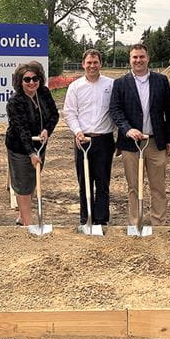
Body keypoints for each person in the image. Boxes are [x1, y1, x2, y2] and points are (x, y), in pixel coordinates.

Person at [109, 43, 170, 226]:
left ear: (148, 58)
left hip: (156, 142)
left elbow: (169, 112)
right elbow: (115, 111)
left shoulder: (161, 80)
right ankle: (135, 222)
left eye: (141, 57)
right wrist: (127, 129)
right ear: (130, 60)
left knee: (158, 186)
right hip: (131, 144)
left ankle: (158, 221)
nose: (138, 60)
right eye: (134, 57)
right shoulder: (120, 83)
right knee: (134, 186)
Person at [62, 49, 115, 226]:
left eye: (95, 62)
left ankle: (101, 220)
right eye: (89, 62)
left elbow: (116, 111)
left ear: (101, 63)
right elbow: (69, 113)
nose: (92, 66)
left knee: (102, 182)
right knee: (84, 182)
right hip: (82, 139)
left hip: (104, 140)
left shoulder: (111, 85)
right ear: (83, 64)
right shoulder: (75, 87)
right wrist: (77, 131)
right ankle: (86, 219)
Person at [5, 61, 59, 226]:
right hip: (20, 147)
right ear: (20, 82)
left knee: (33, 179)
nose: (31, 83)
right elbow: (21, 130)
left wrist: (46, 131)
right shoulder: (15, 101)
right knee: (23, 184)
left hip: (40, 144)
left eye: (35, 78)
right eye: (27, 79)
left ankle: (23, 215)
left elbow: (54, 115)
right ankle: (28, 224)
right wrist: (31, 153)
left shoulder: (43, 92)